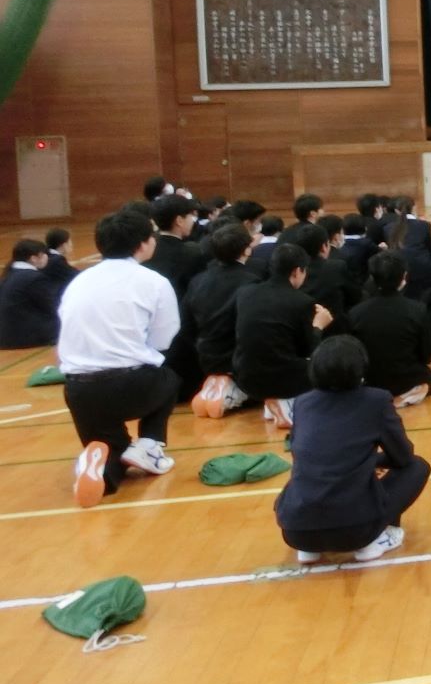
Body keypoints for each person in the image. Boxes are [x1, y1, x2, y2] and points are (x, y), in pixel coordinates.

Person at [58, 209, 181, 508]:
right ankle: (150, 444)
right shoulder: (153, 281)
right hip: (130, 385)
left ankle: (98, 466)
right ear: (142, 244)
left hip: (78, 389)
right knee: (169, 378)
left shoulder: (78, 282)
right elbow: (164, 339)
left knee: (114, 455)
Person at [274, 335, 431, 564]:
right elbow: (403, 457)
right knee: (417, 467)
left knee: (307, 475)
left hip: (295, 532)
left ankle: (311, 548)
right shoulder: (376, 400)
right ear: (361, 369)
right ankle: (377, 539)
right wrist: (373, 461)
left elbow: (306, 454)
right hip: (356, 530)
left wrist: (368, 462)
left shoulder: (303, 402)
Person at [233, 244, 334, 427]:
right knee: (324, 362)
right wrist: (319, 326)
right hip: (284, 381)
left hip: (245, 377)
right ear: (297, 271)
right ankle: (286, 404)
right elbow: (308, 349)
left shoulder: (245, 293)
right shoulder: (302, 302)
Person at [185, 223, 260, 417]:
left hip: (204, 354)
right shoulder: (250, 282)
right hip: (235, 358)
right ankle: (233, 389)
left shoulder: (198, 280)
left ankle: (217, 381)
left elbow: (187, 322)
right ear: (247, 249)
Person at [349, 251, 431, 406]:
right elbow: (427, 355)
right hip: (407, 379)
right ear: (403, 277)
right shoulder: (417, 309)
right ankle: (404, 397)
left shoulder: (355, 313)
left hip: (371, 382)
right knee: (426, 377)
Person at [0, 238, 61, 349]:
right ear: (34, 258)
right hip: (26, 335)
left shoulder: (8, 274)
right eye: (43, 255)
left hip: (6, 334)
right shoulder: (33, 278)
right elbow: (52, 305)